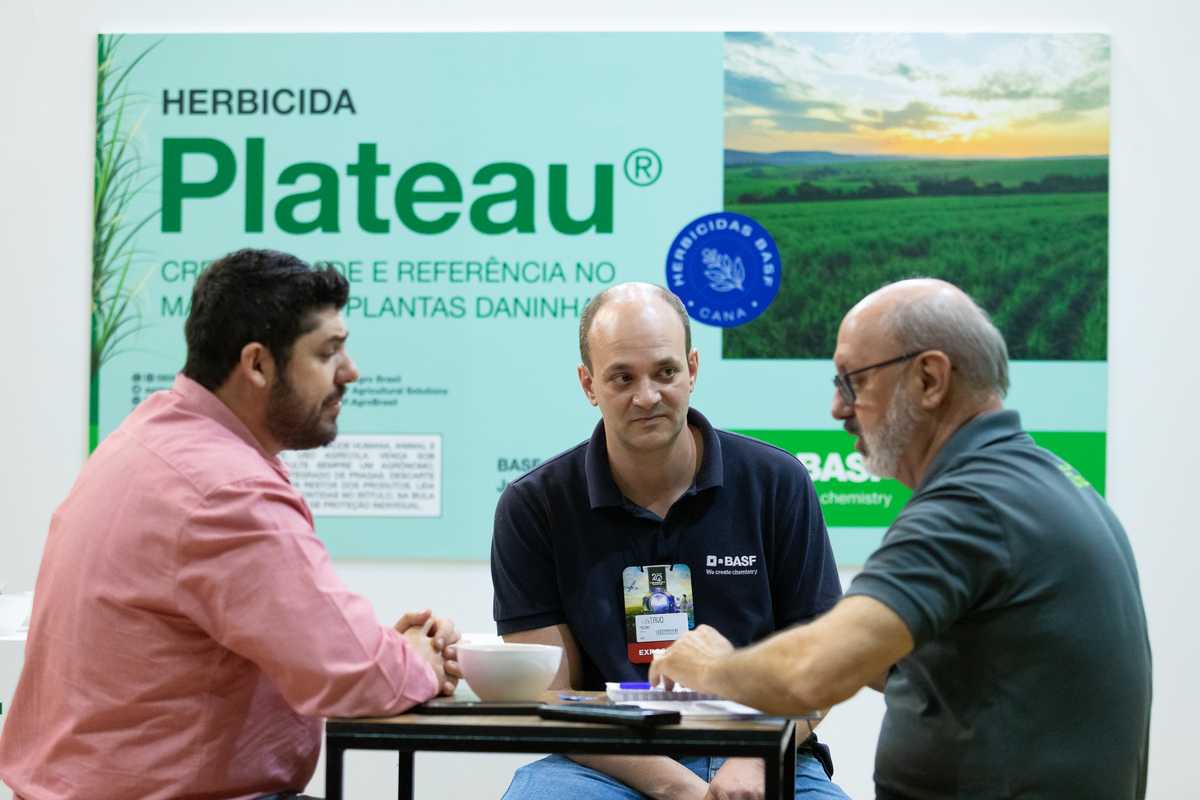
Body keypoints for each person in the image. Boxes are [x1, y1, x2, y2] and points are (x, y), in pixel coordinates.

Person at [649, 279, 1152, 800]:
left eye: (853, 383)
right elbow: (914, 665)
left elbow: (813, 674)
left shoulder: (969, 506)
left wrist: (708, 665)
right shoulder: (1044, 478)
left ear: (930, 379)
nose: (838, 410)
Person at [0, 249, 462, 800]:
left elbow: (315, 648)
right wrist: (415, 660)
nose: (350, 371)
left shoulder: (145, 439)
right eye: (328, 352)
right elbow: (355, 676)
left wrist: (378, 649)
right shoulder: (226, 490)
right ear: (258, 365)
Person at [491, 282, 848, 799]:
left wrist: (753, 758)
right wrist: (680, 788)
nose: (647, 396)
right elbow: (554, 695)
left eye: (665, 371)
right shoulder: (533, 506)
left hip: (763, 748)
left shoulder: (777, 481)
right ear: (588, 385)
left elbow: (823, 662)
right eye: (621, 377)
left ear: (693, 369)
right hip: (607, 763)